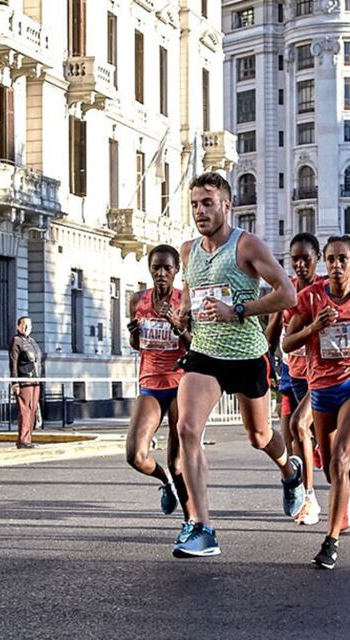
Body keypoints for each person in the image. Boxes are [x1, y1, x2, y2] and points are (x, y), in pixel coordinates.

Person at [171, 172, 302, 558]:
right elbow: (192, 292)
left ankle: (290, 473)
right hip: (205, 354)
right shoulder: (187, 250)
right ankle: (202, 527)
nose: (200, 211)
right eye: (195, 204)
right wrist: (183, 314)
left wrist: (239, 310)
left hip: (247, 355)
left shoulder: (247, 246)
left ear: (227, 205)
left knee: (259, 437)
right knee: (186, 428)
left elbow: (288, 293)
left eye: (208, 203)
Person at [283, 235, 350, 569]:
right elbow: (287, 343)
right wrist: (314, 326)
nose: (337, 265)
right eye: (331, 259)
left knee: (337, 461)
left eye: (343, 259)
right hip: (321, 388)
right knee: (330, 466)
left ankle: (331, 542)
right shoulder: (309, 298)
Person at [125, 244, 193, 531]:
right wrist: (134, 335)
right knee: (135, 455)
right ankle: (164, 481)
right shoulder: (136, 301)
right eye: (156, 268)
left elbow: (195, 345)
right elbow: (136, 345)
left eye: (167, 268)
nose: (161, 273)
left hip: (179, 382)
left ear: (176, 271)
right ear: (149, 270)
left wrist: (177, 326)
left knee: (178, 461)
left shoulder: (184, 301)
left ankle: (191, 522)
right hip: (150, 382)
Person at [265, 232, 324, 526]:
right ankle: (303, 496)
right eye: (295, 259)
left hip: (319, 377)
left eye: (306, 259)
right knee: (292, 442)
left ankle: (311, 496)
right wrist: (268, 366)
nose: (300, 265)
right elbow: (272, 338)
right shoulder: (285, 291)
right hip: (291, 375)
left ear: (317, 260)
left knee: (309, 434)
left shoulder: (324, 292)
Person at [9, 316, 42, 449]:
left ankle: (28, 438)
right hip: (24, 379)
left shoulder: (32, 342)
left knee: (32, 409)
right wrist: (15, 382)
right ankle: (22, 440)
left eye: (29, 325)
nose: (27, 328)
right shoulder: (16, 341)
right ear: (18, 326)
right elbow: (13, 363)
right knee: (25, 410)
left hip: (36, 379)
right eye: (24, 325)